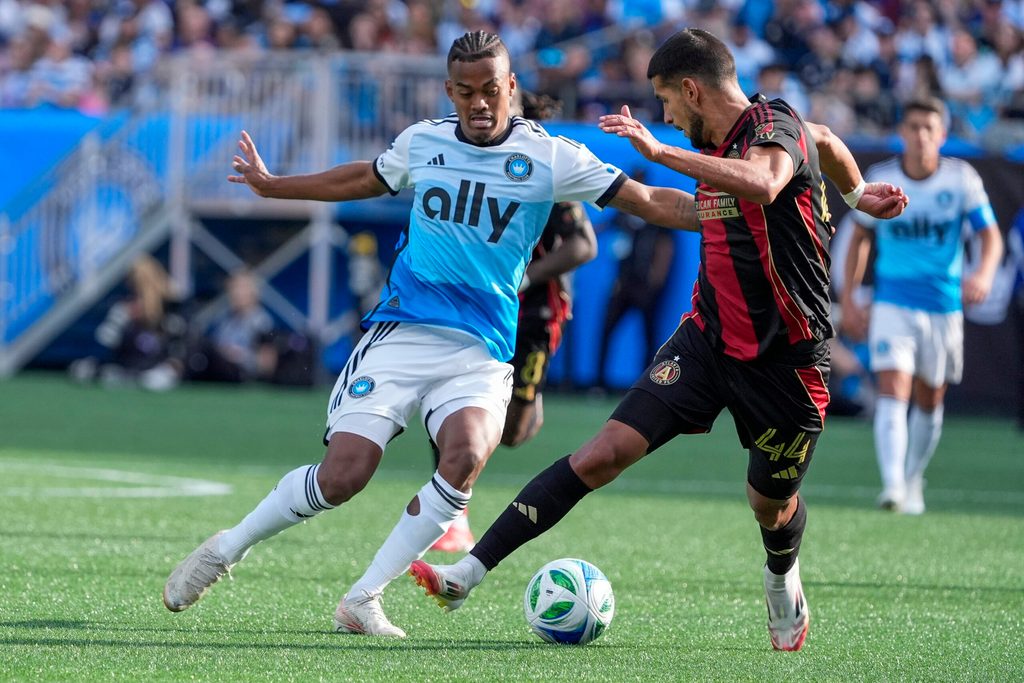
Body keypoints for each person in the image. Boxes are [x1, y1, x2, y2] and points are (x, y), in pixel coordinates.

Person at [162, 30, 714, 638]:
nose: (479, 104)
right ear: (450, 91)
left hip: (480, 348)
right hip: (401, 332)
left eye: (491, 92)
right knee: (344, 475)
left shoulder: (550, 156)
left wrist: (730, 208)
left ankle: (364, 597)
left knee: (468, 455)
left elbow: (648, 201)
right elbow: (361, 180)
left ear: (512, 89)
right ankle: (227, 548)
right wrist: (276, 185)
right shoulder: (422, 142)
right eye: (466, 92)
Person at [408, 27, 908, 652]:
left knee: (769, 505)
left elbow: (766, 180)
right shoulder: (734, 143)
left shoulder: (773, 127)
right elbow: (828, 145)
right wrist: (858, 193)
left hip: (789, 362)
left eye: (667, 104)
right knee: (600, 455)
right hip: (705, 341)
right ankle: (467, 572)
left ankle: (782, 572)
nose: (666, 118)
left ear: (693, 90)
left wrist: (659, 150)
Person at [429, 90, 599, 553]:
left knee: (513, 433)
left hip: (534, 310)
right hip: (476, 309)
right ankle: (451, 511)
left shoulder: (542, 164)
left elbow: (584, 245)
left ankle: (525, 400)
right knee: (452, 398)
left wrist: (525, 277)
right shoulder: (458, 158)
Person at [841, 97, 1003, 515]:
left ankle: (913, 479)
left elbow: (990, 236)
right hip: (893, 300)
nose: (920, 136)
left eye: (928, 128)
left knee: (931, 398)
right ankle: (893, 485)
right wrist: (851, 296)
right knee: (893, 389)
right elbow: (859, 237)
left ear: (942, 135)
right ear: (902, 133)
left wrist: (983, 274)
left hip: (943, 305)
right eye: (912, 127)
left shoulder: (961, 180)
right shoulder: (883, 177)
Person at [595, 166, 676, 390]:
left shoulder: (657, 217)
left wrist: (655, 282)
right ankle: (599, 383)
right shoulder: (622, 216)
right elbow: (599, 230)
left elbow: (665, 248)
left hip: (645, 287)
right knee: (607, 329)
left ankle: (647, 385)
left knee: (649, 336)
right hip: (623, 285)